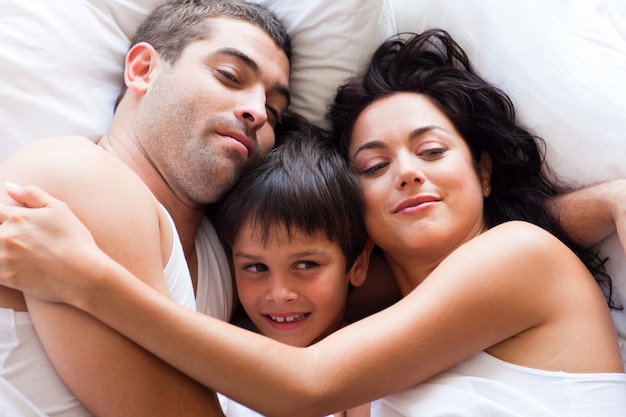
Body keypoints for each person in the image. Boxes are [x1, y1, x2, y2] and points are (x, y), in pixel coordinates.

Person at [0, 29, 625, 417]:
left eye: (432, 151)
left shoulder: (520, 254)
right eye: (373, 165)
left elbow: (307, 384)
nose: (406, 174)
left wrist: (86, 279)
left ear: (483, 173)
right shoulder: (386, 304)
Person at [0, 0, 291, 415]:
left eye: (275, 112)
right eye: (229, 75)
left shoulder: (228, 261)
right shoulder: (76, 176)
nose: (258, 113)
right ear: (143, 70)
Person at [214, 114, 371, 416]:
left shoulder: (368, 364)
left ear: (358, 263)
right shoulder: (221, 355)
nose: (280, 294)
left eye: (306, 264)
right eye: (256, 268)